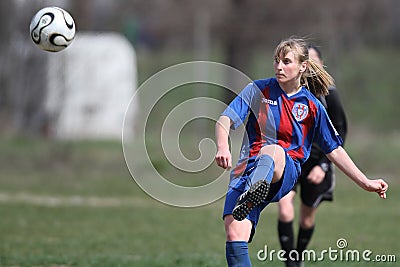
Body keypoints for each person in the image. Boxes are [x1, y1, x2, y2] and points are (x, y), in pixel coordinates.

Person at [214, 37, 388, 267]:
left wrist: (365, 181)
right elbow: (224, 119)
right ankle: (251, 193)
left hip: (283, 171)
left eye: (286, 61)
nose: (279, 66)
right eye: (276, 61)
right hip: (245, 169)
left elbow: (334, 149)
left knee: (273, 150)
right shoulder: (257, 89)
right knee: (234, 235)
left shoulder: (312, 105)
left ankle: (255, 189)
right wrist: (222, 146)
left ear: (302, 66)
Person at [276, 44, 348, 267]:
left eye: (314, 59)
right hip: (291, 160)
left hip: (316, 163)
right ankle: (291, 262)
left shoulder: (329, 95)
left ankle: (298, 255)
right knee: (285, 207)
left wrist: (324, 165)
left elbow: (339, 132)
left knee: (306, 217)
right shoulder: (285, 91)